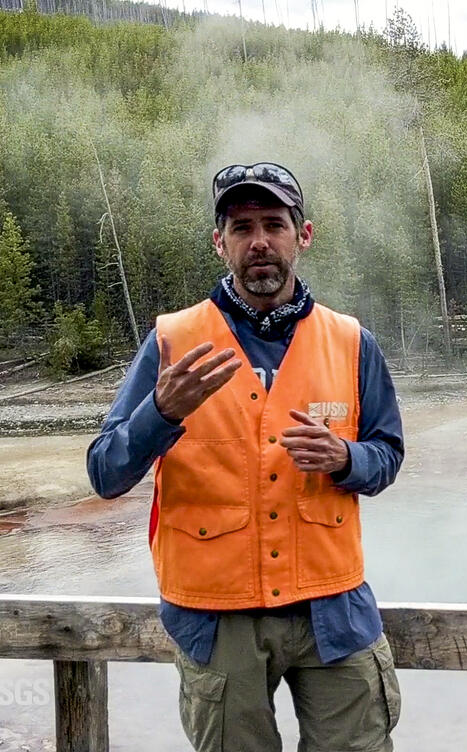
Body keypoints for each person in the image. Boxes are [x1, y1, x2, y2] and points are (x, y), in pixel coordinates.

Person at [87, 162, 405, 752]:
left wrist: (345, 458)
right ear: (220, 243)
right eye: (241, 227)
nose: (259, 241)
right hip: (218, 614)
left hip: (333, 609)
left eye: (274, 224)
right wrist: (160, 412)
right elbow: (105, 473)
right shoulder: (171, 342)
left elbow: (387, 456)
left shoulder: (351, 341)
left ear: (302, 235)